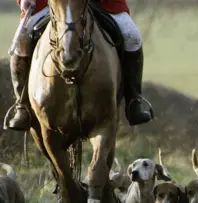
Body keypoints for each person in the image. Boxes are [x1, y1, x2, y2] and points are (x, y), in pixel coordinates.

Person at [6, 0, 153, 131]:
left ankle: (134, 100)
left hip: (100, 3)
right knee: (21, 41)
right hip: (52, 4)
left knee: (132, 36)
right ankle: (23, 105)